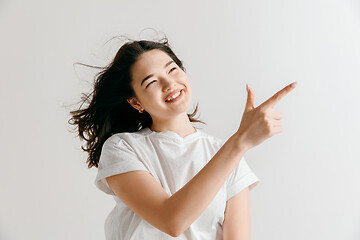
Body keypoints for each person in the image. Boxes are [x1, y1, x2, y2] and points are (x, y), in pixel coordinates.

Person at [69, 36, 298, 240]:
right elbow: (171, 220)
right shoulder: (122, 148)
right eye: (151, 82)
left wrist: (238, 145)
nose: (170, 84)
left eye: (172, 70)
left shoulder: (226, 153)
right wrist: (240, 142)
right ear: (135, 102)